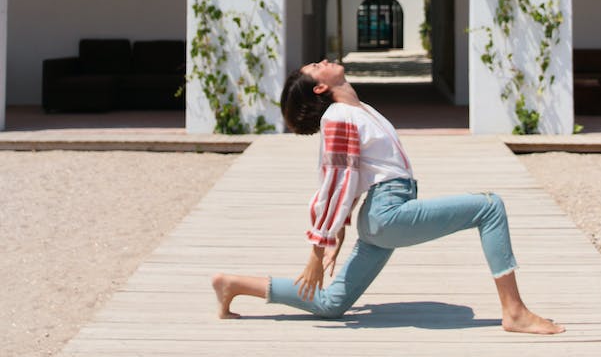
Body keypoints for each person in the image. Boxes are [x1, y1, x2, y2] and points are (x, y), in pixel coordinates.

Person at [212, 59, 564, 334]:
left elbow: (353, 176)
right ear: (320, 87)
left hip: (381, 215)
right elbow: (336, 181)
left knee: (333, 304)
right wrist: (318, 248)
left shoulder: (359, 110)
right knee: (489, 207)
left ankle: (234, 285)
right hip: (387, 211)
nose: (323, 61)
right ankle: (514, 312)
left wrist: (342, 229)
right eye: (316, 67)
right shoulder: (340, 116)